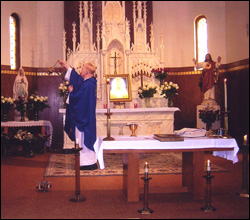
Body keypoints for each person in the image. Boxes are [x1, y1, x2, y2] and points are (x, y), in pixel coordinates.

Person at [58, 60, 98, 170]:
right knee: (80, 139)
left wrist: (71, 92)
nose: (81, 70)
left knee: (83, 139)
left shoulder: (88, 84)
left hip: (84, 118)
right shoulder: (88, 82)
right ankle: (86, 162)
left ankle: (87, 163)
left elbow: (79, 98)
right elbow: (77, 79)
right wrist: (67, 67)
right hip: (84, 116)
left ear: (87, 72)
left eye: (83, 69)